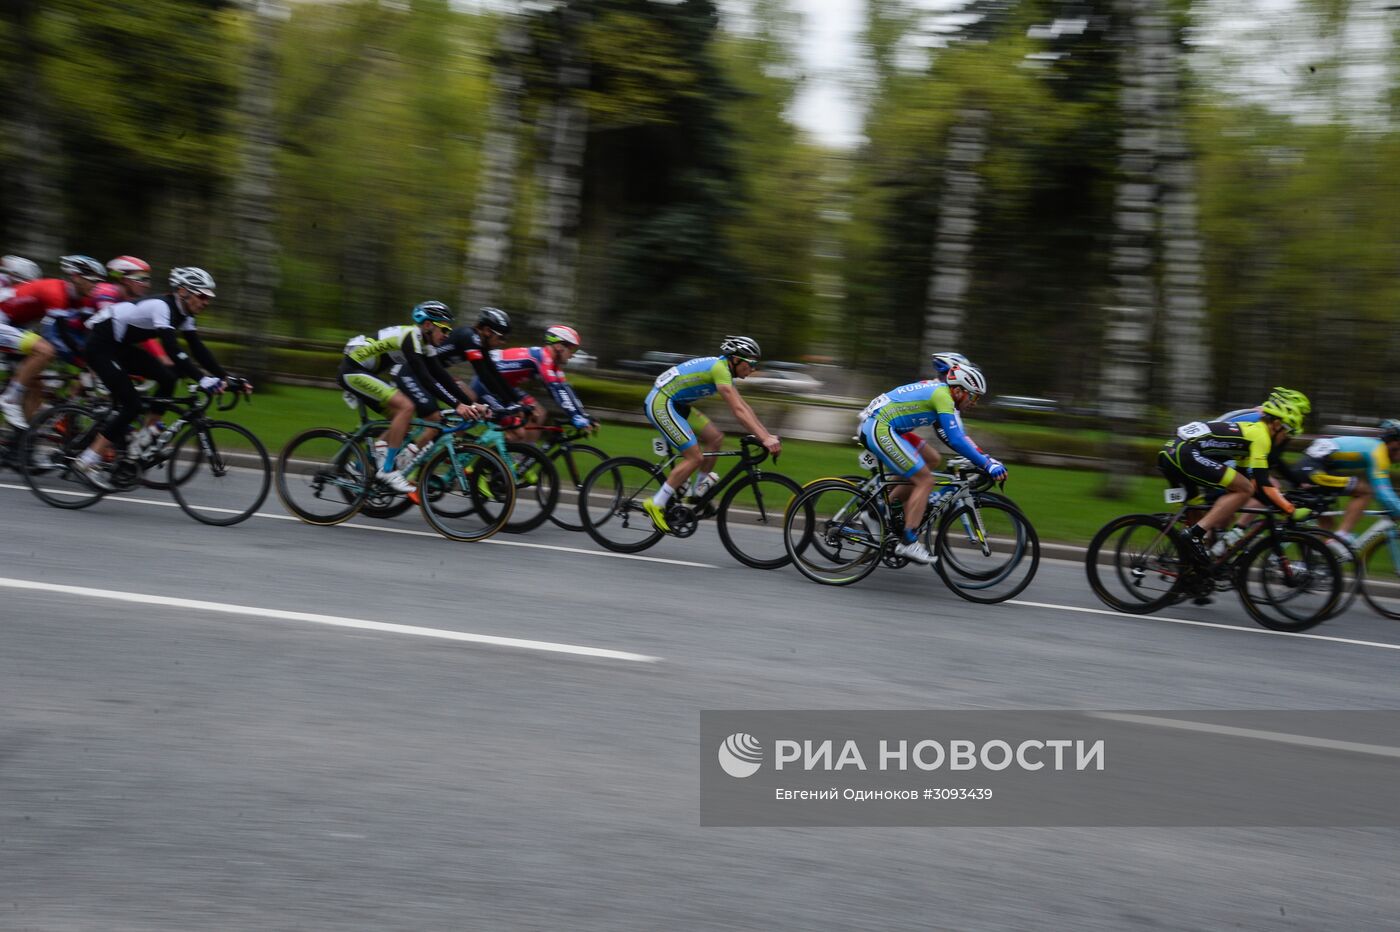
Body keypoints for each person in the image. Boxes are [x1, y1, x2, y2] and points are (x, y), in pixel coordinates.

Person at [73, 267, 247, 490]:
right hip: (99, 346)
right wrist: (202, 379)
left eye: (209, 298)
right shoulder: (162, 306)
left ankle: (143, 438)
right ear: (183, 291)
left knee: (168, 378)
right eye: (202, 296)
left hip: (119, 347)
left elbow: (198, 349)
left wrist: (225, 377)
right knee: (132, 405)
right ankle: (87, 460)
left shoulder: (185, 314)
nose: (206, 302)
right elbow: (172, 349)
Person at [857, 361, 1006, 565]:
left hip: (885, 427)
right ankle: (908, 542)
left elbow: (950, 437)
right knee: (925, 481)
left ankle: (879, 512)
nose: (974, 402)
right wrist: (987, 464)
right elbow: (956, 439)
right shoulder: (942, 397)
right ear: (959, 390)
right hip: (880, 427)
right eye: (973, 395)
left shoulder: (943, 395)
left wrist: (984, 459)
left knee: (928, 461)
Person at [338, 301, 487, 493]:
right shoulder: (411, 337)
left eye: (449, 331)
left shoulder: (425, 344)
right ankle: (387, 470)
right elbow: (426, 379)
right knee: (406, 407)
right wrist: (457, 405)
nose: (447, 335)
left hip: (365, 371)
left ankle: (360, 467)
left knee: (405, 421)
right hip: (353, 370)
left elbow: (442, 377)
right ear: (427, 325)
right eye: (444, 329)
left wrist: (471, 404)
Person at [641, 336, 782, 533]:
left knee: (716, 438)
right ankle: (656, 503)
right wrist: (764, 438)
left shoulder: (724, 370)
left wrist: (766, 435)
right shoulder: (719, 369)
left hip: (677, 405)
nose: (753, 369)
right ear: (735, 359)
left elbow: (744, 407)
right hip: (661, 402)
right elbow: (738, 411)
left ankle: (696, 493)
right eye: (751, 364)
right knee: (694, 457)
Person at [1157, 390, 1309, 562]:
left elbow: (1248, 479)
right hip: (1184, 454)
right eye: (1287, 432)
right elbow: (1261, 483)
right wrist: (1290, 509)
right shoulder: (1261, 437)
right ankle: (1194, 535)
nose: (1286, 438)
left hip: (1170, 452)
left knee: (1206, 507)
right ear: (1276, 424)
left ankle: (1190, 569)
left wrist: (1274, 503)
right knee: (1243, 490)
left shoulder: (1250, 432)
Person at [0, 255, 106, 429]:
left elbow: (89, 329)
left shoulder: (82, 298)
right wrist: (85, 360)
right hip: (3, 320)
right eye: (92, 280)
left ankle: (24, 442)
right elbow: (63, 333)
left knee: (35, 386)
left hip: (13, 323)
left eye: (99, 282)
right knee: (45, 350)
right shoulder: (55, 291)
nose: (96, 286)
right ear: (76, 277)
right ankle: (9, 398)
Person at [477, 324, 593, 443]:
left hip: (505, 386)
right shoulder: (543, 359)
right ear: (558, 346)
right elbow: (555, 390)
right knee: (517, 433)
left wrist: (582, 415)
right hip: (487, 384)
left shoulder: (551, 363)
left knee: (540, 413)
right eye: (571, 348)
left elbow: (565, 389)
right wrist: (575, 417)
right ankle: (497, 458)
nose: (572, 354)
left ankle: (527, 456)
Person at [1292, 419, 1400, 544]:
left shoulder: (1374, 446)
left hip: (1310, 468)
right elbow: (1383, 492)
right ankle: (1342, 536)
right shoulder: (1378, 452)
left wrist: (1393, 507)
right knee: (1364, 491)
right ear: (1396, 443)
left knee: (1327, 525)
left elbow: (1381, 488)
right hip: (1313, 471)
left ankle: (1312, 560)